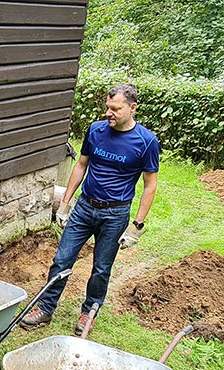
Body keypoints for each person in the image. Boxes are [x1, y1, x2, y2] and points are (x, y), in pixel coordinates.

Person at [21, 83, 159, 333]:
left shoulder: (146, 142)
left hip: (115, 214)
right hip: (84, 208)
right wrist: (65, 204)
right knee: (61, 260)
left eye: (116, 109)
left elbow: (150, 185)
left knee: (101, 269)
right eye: (107, 108)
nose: (109, 113)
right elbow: (81, 165)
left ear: (133, 108)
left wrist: (136, 224)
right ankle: (45, 309)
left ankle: (89, 313)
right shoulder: (96, 130)